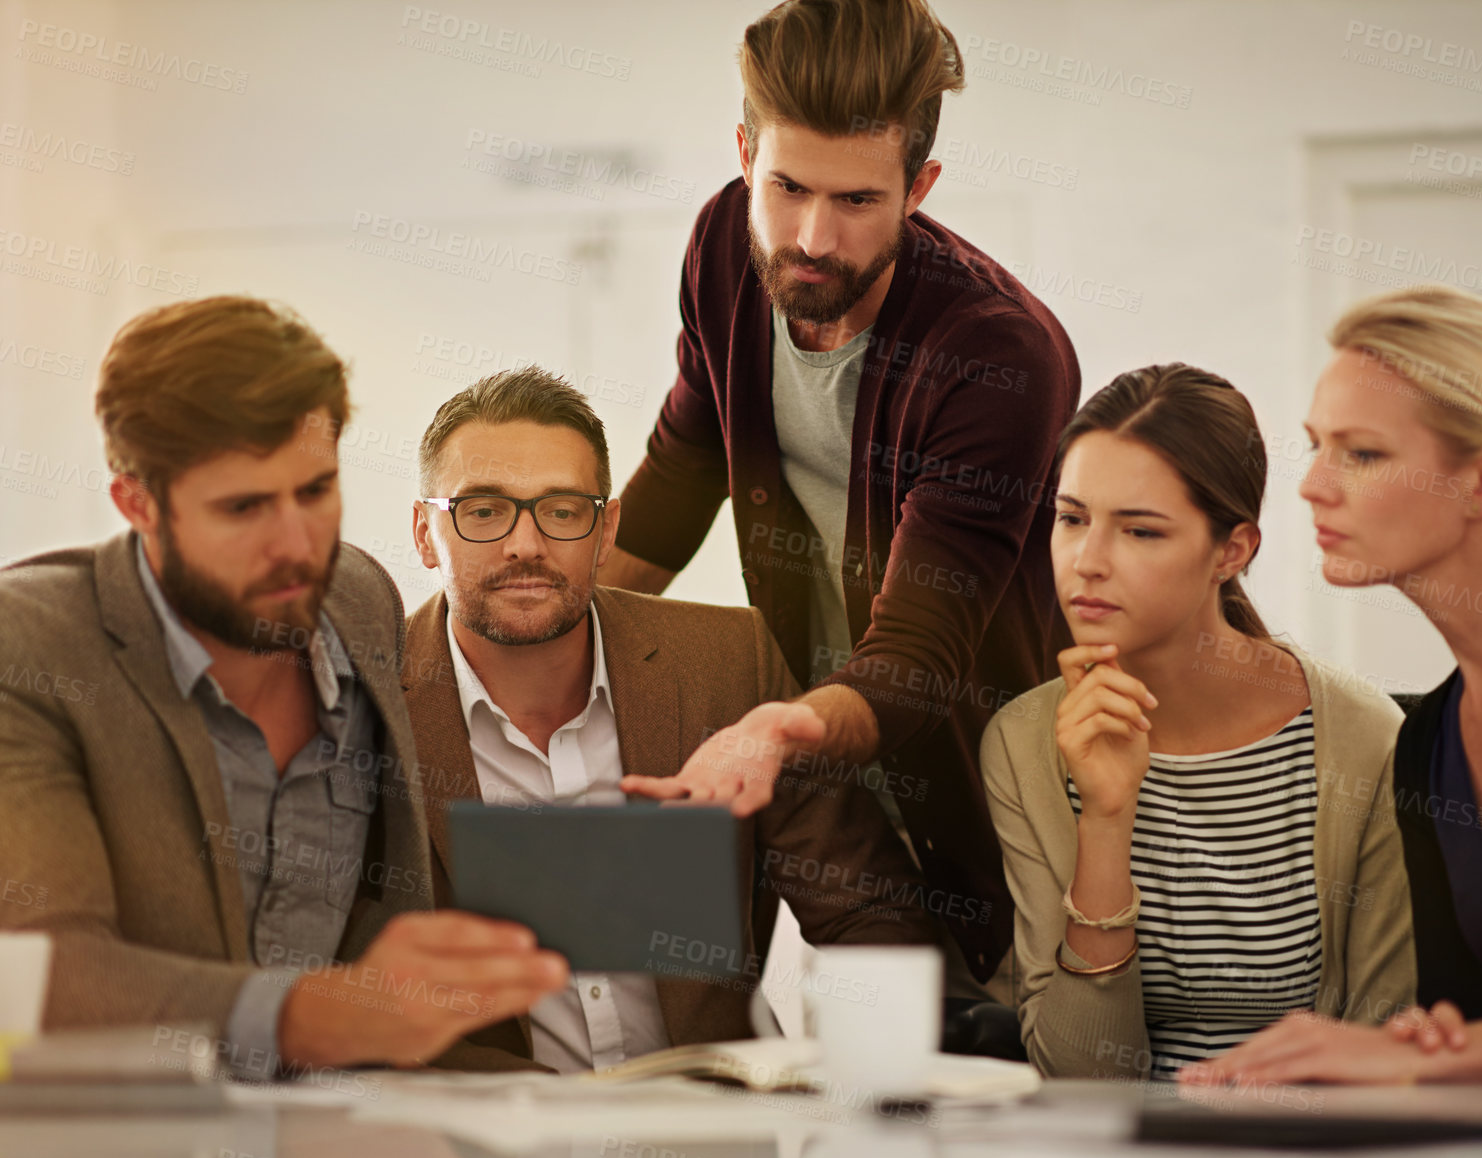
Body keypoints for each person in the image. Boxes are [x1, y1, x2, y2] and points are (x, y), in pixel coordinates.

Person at [599, 0, 1080, 992]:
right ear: (743, 152)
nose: (811, 238)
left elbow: (919, 658)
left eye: (857, 202)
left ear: (920, 185)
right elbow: (684, 465)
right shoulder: (723, 247)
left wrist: (774, 726)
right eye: (785, 186)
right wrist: (529, 614)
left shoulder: (993, 351)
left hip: (992, 796)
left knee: (997, 1081)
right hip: (828, 784)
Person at [0, 296, 567, 1079]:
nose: (297, 545)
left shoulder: (359, 598)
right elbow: (38, 967)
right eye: (243, 508)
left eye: (314, 491)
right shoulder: (29, 647)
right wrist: (311, 1016)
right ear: (137, 506)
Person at [1190, 285, 1482, 1091]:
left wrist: (1396, 1054)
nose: (1311, 486)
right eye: (1316, 446)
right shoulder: (1426, 741)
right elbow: (1469, 1021)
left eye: (1362, 453)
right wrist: (1420, 1044)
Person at [405, 366, 938, 1071]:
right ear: (423, 532)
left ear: (607, 529)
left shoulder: (726, 660)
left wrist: (860, 1083)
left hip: (718, 1135)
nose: (524, 545)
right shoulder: (371, 702)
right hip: (488, 1154)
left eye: (562, 509)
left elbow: (866, 908)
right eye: (481, 510)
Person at [982, 364, 1415, 1080]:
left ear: (1231, 551)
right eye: (1070, 519)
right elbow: (1081, 1078)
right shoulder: (1026, 743)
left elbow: (1377, 1059)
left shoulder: (1365, 739)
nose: (1085, 562)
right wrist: (1105, 818)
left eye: (1140, 532)